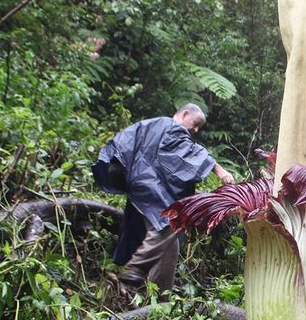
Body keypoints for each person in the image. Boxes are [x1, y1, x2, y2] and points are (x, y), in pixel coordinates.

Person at [92, 103, 234, 292]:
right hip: (149, 186)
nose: (196, 129)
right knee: (170, 221)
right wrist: (219, 170)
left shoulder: (152, 124)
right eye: (196, 123)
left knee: (171, 245)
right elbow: (191, 153)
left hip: (139, 185)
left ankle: (161, 297)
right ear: (184, 114)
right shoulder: (172, 128)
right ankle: (135, 268)